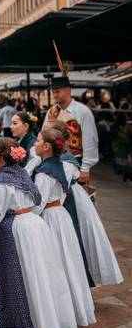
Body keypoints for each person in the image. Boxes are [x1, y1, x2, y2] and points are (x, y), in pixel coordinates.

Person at [0, 138, 77, 328]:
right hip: (35, 227)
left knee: (18, 282)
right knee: (38, 280)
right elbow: (37, 202)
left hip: (15, 231)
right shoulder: (23, 175)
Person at [30, 129, 96, 328]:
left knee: (55, 265)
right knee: (68, 263)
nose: (34, 144)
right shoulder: (58, 165)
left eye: (38, 140)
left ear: (47, 146)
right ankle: (74, 312)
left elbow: (38, 204)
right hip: (61, 216)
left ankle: (61, 317)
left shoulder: (44, 172)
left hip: (50, 218)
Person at [46, 119, 123, 288]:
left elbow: (60, 185)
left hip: (69, 198)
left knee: (76, 234)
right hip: (63, 196)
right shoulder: (56, 157)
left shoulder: (66, 160)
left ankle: (80, 280)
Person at [43, 76, 99, 184]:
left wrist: (85, 168)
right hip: (53, 161)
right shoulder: (51, 111)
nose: (55, 95)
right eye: (53, 92)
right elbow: (44, 135)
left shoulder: (83, 111)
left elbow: (90, 140)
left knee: (75, 197)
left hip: (75, 161)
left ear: (68, 90)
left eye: (58, 91)